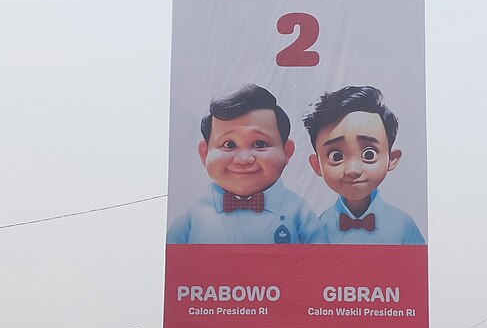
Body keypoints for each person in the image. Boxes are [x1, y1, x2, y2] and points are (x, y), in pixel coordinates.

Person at [167, 84, 327, 244]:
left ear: (286, 151)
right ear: (204, 153)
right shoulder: (192, 212)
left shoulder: (298, 211)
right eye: (229, 144)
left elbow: (322, 255)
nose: (244, 159)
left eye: (260, 144)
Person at [303, 85, 425, 245]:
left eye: (369, 154)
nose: (352, 170)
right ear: (317, 165)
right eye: (336, 156)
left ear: (392, 158)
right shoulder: (319, 228)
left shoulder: (403, 226)